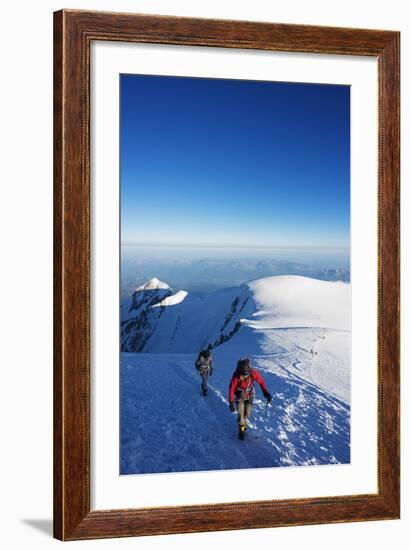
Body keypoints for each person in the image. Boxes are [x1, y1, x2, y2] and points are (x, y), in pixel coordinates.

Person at [228, 357, 272, 439]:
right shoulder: (236, 375)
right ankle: (241, 429)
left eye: (245, 375)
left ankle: (243, 420)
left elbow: (261, 382)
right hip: (239, 395)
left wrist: (266, 393)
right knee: (241, 414)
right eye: (242, 375)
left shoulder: (253, 373)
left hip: (250, 394)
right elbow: (232, 388)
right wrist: (231, 402)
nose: (243, 377)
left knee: (247, 413)